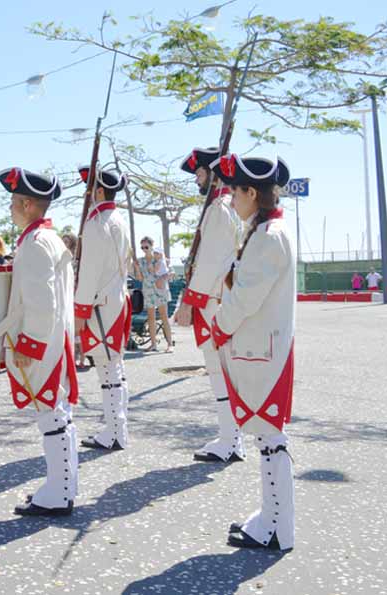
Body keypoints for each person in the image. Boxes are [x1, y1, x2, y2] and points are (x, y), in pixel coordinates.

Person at [208, 153, 295, 551]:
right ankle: (270, 520)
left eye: (234, 190)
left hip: (263, 351)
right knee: (267, 438)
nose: (230, 197)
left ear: (251, 191)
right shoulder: (262, 232)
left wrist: (219, 325)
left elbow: (245, 299)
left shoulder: (268, 236)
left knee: (271, 438)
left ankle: (276, 528)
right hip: (261, 348)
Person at [0, 166, 78, 516]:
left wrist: (29, 345)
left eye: (15, 201)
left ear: (28, 204)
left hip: (43, 341)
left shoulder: (34, 244)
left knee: (51, 415)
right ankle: (63, 486)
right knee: (60, 414)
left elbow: (42, 303)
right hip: (56, 338)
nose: (11, 208)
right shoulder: (49, 239)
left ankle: (58, 492)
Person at [174, 146, 246, 464]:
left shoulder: (218, 208)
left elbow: (211, 263)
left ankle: (230, 440)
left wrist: (189, 301)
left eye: (200, 173)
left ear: (213, 173)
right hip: (219, 297)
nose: (197, 180)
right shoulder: (226, 206)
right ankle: (231, 437)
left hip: (212, 301)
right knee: (221, 371)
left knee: (218, 371)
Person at [74, 166, 132, 452]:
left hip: (100, 305)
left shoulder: (97, 222)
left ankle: (113, 431)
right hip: (115, 301)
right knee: (115, 370)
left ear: (98, 191)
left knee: (108, 373)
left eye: (89, 190)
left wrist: (80, 310)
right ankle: (118, 428)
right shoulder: (117, 219)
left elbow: (89, 272)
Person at [135, 239, 173, 352]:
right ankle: (153, 345)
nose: (144, 250)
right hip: (148, 290)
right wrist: (137, 268)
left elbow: (171, 273)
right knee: (151, 318)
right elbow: (140, 278)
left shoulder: (160, 257)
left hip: (160, 290)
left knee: (164, 316)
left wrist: (162, 279)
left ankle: (170, 344)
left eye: (146, 247)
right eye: (142, 248)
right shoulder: (140, 261)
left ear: (152, 246)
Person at [61, 231, 87, 369]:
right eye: (63, 241)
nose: (65, 243)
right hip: (64, 293)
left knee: (77, 328)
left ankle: (81, 358)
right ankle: (71, 356)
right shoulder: (60, 256)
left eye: (67, 241)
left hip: (75, 293)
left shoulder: (77, 258)